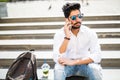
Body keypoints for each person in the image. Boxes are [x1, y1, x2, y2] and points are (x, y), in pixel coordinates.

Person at [53, 2, 102, 80]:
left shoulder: (89, 32)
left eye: (79, 16)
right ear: (67, 20)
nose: (78, 20)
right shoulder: (59, 34)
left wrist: (75, 62)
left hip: (84, 65)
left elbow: (97, 55)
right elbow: (57, 55)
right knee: (58, 70)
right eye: (73, 18)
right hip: (66, 66)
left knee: (95, 69)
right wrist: (67, 37)